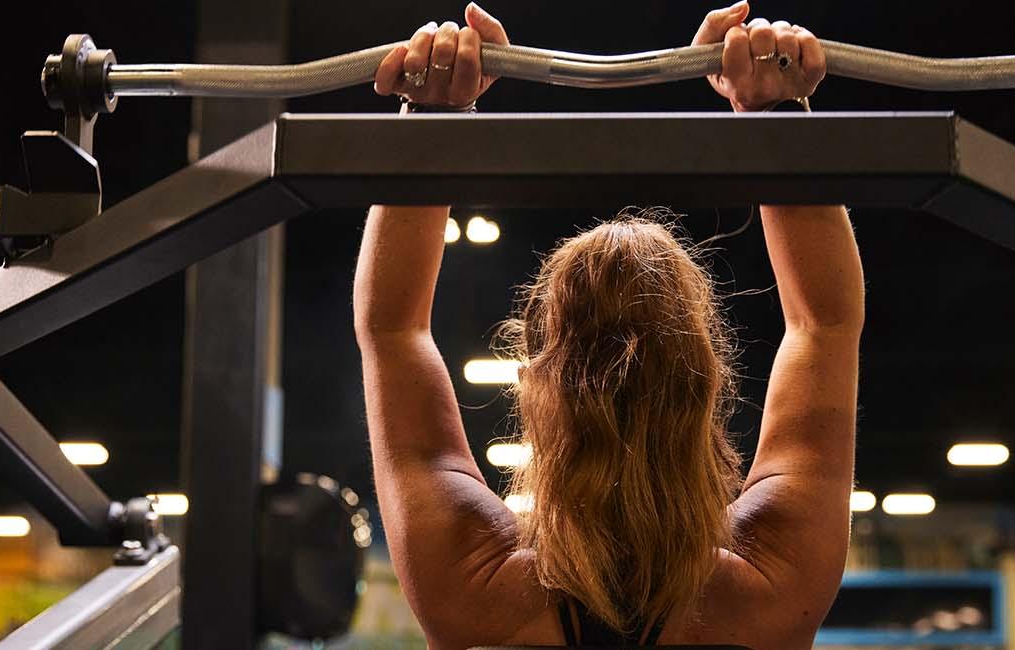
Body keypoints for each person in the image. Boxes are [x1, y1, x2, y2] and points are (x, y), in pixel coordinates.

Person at [355, 2, 863, 647]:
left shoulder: (476, 587)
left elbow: (393, 331)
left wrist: (433, 114)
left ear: (537, 381)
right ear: (704, 380)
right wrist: (774, 112)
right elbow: (824, 325)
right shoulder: (766, 588)